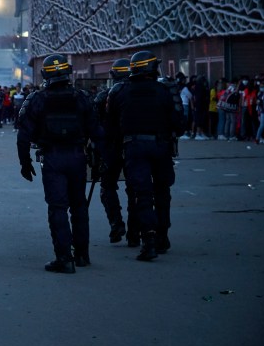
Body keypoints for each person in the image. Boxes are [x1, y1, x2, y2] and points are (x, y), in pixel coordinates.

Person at [17, 54, 101, 273]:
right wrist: (100, 159)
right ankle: (82, 255)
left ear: (45, 74)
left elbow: (23, 134)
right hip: (77, 157)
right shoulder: (81, 97)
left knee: (58, 207)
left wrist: (25, 163)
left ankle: (64, 257)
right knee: (79, 206)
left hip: (53, 158)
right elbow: (97, 132)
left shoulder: (37, 98)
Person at [106, 50, 185, 260]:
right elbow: (180, 123)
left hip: (133, 146)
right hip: (161, 146)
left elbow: (110, 125)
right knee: (162, 192)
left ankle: (148, 240)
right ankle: (162, 236)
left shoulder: (119, 91)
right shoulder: (165, 90)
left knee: (142, 194)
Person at [93, 58, 135, 245]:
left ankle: (116, 223)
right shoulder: (139, 92)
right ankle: (135, 231)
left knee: (107, 187)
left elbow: (93, 124)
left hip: (112, 148)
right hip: (134, 147)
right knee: (136, 189)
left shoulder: (105, 96)